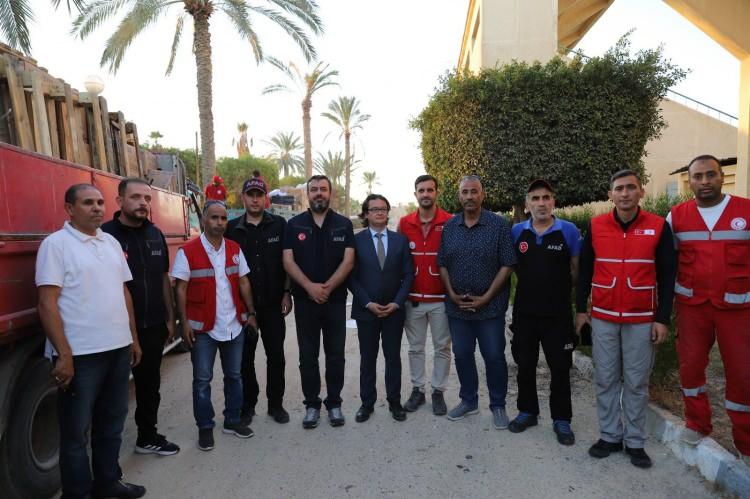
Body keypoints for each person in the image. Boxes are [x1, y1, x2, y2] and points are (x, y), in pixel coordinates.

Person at [36, 183, 146, 499]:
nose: (97, 207)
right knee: (75, 433)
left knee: (111, 424)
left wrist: (133, 339)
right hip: (82, 356)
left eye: (99, 202)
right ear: (70, 209)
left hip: (117, 349)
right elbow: (46, 303)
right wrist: (64, 355)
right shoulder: (56, 245)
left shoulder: (110, 242)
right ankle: (78, 493)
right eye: (88, 202)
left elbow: (123, 292)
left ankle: (108, 483)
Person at [576, 169, 676, 469]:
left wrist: (662, 319)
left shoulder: (658, 226)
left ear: (641, 192)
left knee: (636, 382)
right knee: (606, 379)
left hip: (642, 318)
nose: (624, 193)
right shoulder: (596, 226)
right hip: (604, 317)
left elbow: (667, 275)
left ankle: (634, 441)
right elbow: (584, 271)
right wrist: (580, 310)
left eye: (630, 187)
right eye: (618, 188)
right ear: (610, 195)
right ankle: (609, 436)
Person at [667, 155, 750, 466]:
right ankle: (697, 423)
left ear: (721, 176)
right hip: (692, 307)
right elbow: (667, 263)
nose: (704, 182)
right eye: (698, 176)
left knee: (742, 373)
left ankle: (746, 442)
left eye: (710, 175)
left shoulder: (746, 211)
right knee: (690, 367)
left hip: (738, 308)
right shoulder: (676, 216)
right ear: (690, 181)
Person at [172, 200, 258, 451]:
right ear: (204, 221)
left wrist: (251, 313)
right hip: (203, 329)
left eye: (223, 218)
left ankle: (232, 420)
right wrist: (183, 323)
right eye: (214, 218)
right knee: (202, 380)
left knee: (234, 376)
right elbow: (180, 289)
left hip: (233, 324)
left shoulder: (234, 248)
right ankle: (205, 427)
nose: (219, 223)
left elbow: (243, 282)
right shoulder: (188, 251)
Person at [102, 178, 179, 456]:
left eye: (147, 198)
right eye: (135, 197)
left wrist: (170, 318)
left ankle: (147, 437)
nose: (143, 203)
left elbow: (163, 278)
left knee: (149, 387)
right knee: (112, 395)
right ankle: (106, 458)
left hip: (153, 326)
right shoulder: (105, 236)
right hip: (116, 330)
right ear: (120, 201)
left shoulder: (155, 234)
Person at [437, 175, 516, 429]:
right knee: (462, 355)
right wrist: (451, 293)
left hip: (490, 308)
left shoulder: (499, 225)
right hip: (458, 308)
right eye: (465, 192)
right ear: (459, 196)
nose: (469, 196)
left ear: (482, 195)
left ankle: (498, 405)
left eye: (474, 191)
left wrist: (486, 297)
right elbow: (442, 263)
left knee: (493, 356)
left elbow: (507, 264)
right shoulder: (450, 227)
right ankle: (469, 401)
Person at [509, 179, 580, 446]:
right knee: (524, 365)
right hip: (525, 314)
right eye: (535, 198)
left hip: (558, 316)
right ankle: (527, 412)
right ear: (527, 204)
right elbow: (516, 268)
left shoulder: (568, 231)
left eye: (546, 197)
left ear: (553, 201)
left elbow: (576, 271)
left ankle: (561, 419)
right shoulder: (517, 232)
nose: (541, 203)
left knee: (560, 368)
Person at [283, 175, 355, 429]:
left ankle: (334, 403)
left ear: (330, 193)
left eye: (323, 189)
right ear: (307, 194)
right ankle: (312, 405)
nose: (318, 193)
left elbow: (348, 261)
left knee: (336, 355)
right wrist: (309, 287)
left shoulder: (344, 224)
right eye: (314, 189)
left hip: (335, 301)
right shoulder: (294, 225)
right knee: (308, 356)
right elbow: (288, 261)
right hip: (305, 302)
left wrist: (327, 288)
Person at [226, 178, 293, 425]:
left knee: (276, 357)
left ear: (266, 199)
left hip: (274, 304)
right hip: (244, 308)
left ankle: (276, 405)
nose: (255, 199)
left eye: (259, 195)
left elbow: (288, 262)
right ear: (243, 197)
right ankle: (248, 406)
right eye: (250, 194)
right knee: (245, 360)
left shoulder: (280, 225)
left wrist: (287, 292)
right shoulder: (231, 229)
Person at [349, 194, 415, 423]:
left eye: (383, 209)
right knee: (367, 358)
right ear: (366, 214)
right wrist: (367, 303)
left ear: (387, 212)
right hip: (366, 311)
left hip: (393, 311)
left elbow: (408, 274)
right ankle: (366, 404)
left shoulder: (400, 241)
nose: (379, 212)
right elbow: (351, 277)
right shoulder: (355, 241)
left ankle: (395, 402)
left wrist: (397, 302)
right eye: (374, 209)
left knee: (392, 358)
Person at [398, 174, 453, 415]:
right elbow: (398, 259)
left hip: (441, 299)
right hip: (414, 299)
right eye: (421, 190)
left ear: (436, 192)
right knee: (415, 348)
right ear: (415, 194)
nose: (426, 194)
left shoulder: (450, 222)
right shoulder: (405, 223)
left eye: (430, 190)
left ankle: (438, 391)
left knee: (442, 348)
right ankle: (418, 390)